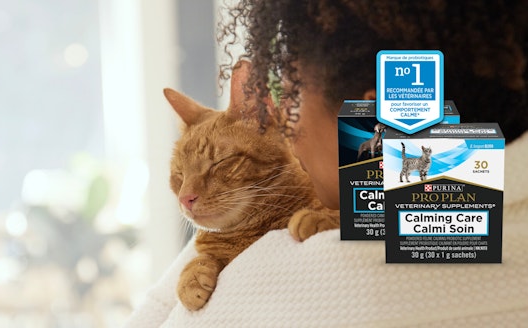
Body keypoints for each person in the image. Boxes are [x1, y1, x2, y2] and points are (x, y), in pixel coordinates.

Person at [126, 1, 528, 326]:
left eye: (291, 96)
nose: (281, 121)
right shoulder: (473, 205)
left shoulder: (312, 278)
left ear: (376, 114)